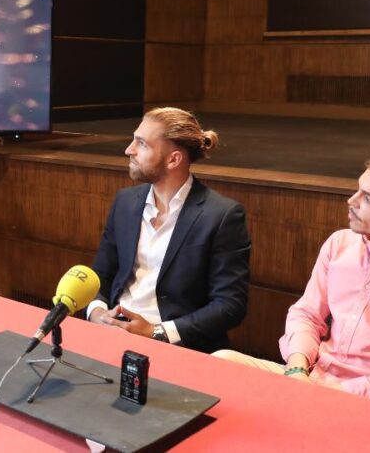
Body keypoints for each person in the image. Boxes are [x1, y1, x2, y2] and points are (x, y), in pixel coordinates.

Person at [213, 148, 370, 409]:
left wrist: (332, 392)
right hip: (312, 378)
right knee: (220, 362)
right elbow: (307, 315)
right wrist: (297, 369)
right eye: (357, 190)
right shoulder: (340, 243)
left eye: (368, 199)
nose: (351, 200)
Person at [87, 107, 251, 353]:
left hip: (176, 345)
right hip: (113, 333)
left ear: (174, 159)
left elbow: (230, 305)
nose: (128, 150)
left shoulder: (222, 215)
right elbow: (100, 275)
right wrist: (97, 313)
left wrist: (156, 332)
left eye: (141, 144)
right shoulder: (125, 202)